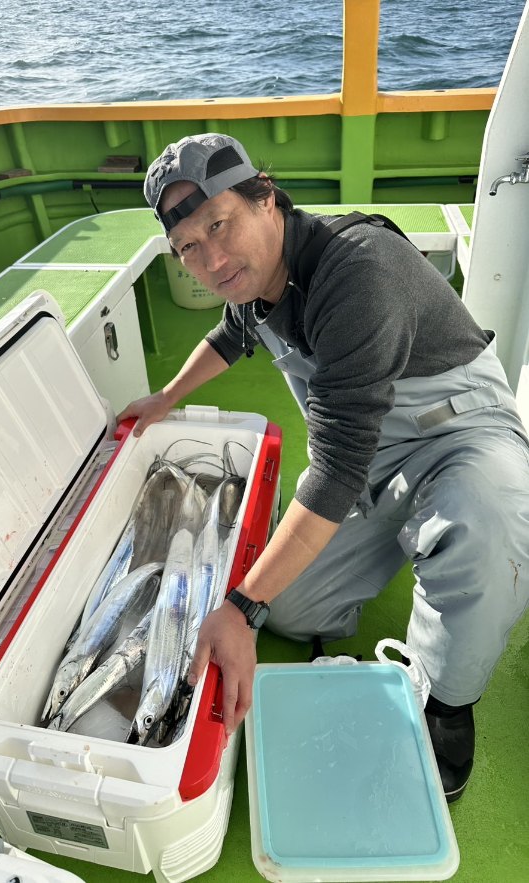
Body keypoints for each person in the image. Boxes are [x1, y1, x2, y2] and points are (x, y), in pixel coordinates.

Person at [118, 132, 529, 802]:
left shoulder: (357, 271)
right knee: (291, 610)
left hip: (458, 429)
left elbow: (334, 471)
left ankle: (448, 704)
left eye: (218, 224)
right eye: (187, 246)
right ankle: (409, 533)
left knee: (486, 529)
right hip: (370, 457)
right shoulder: (252, 277)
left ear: (267, 198)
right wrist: (166, 397)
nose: (212, 259)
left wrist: (238, 605)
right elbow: (231, 335)